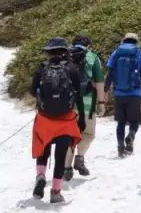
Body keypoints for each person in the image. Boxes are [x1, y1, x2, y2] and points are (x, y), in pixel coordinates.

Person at [30, 37, 87, 203]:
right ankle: (55, 191)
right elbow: (78, 96)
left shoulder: (42, 68)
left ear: (48, 52)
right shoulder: (72, 69)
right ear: (65, 51)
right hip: (66, 121)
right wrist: (81, 117)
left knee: (43, 150)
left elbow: (33, 91)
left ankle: (40, 176)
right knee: (60, 157)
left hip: (44, 119)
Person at [64, 35, 105, 180]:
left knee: (68, 136)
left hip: (66, 105)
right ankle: (79, 158)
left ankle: (66, 168)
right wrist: (101, 103)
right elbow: (100, 82)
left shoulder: (65, 55)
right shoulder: (92, 57)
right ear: (88, 45)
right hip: (87, 103)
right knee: (88, 134)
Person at [105, 33, 141, 157]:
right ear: (136, 42)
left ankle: (120, 146)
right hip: (134, 93)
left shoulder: (116, 53)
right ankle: (131, 136)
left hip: (119, 93)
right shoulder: (139, 54)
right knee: (134, 121)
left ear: (123, 41)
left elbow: (109, 74)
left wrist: (105, 91)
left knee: (120, 122)